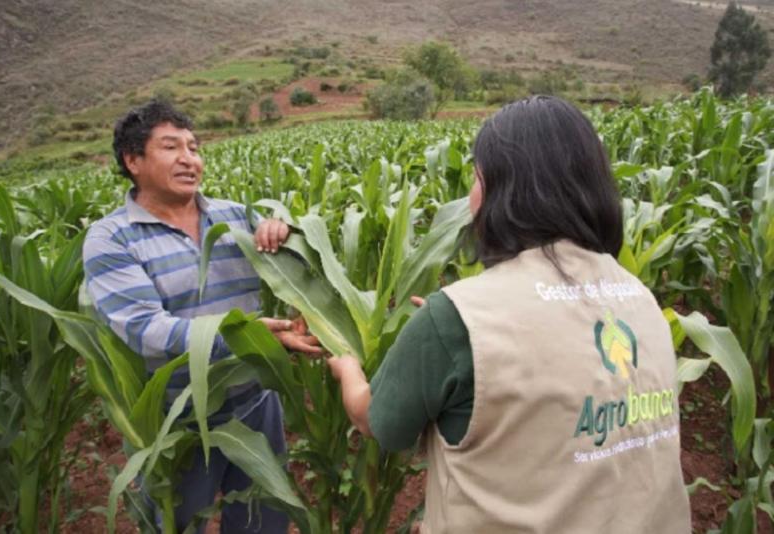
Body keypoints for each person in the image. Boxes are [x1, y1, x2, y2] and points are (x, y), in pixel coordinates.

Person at [328, 96, 691, 533]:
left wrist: (348, 367)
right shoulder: (639, 297)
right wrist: (454, 336)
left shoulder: (457, 320)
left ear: (505, 189)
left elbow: (376, 421)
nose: (469, 195)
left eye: (477, 176)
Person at [83, 99, 320, 533]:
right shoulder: (112, 238)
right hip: (178, 419)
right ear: (133, 160)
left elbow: (301, 266)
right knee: (180, 523)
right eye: (171, 147)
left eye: (194, 147)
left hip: (255, 403)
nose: (189, 159)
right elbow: (144, 329)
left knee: (261, 521)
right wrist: (244, 337)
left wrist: (285, 228)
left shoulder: (233, 217)